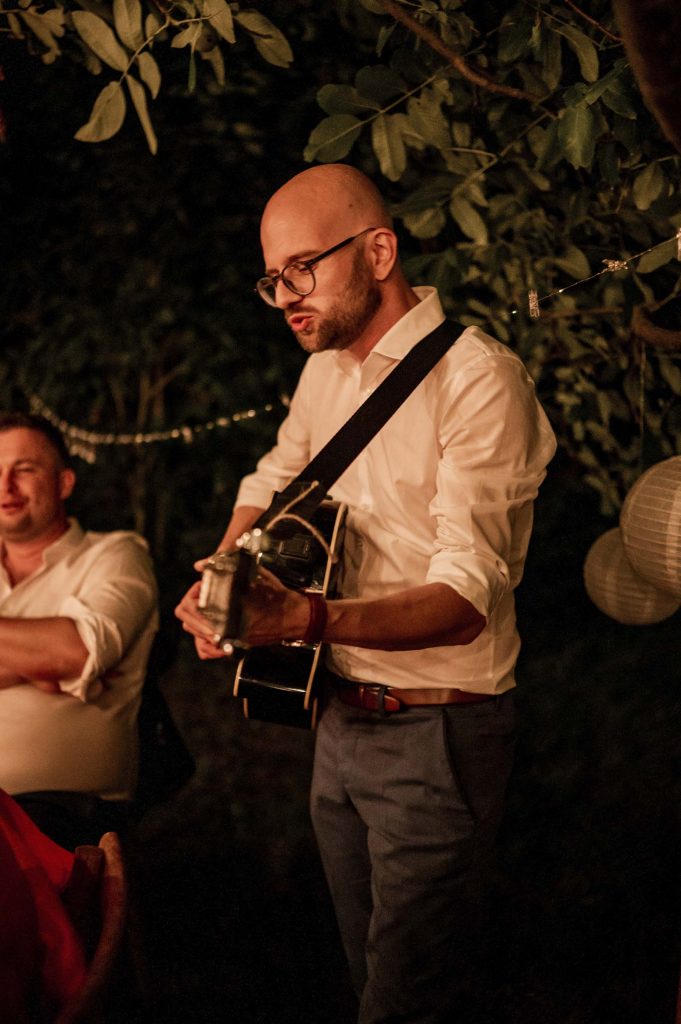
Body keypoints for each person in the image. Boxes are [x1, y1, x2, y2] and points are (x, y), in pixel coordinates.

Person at [175, 163, 557, 1023]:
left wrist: (298, 617)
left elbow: (466, 596)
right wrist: (224, 579)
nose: (285, 297)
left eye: (302, 268)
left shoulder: (476, 381)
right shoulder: (326, 373)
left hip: (439, 732)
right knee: (363, 979)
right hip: (336, 715)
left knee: (404, 1002)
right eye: (272, 280)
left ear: (379, 249)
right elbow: (274, 472)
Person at [0, 411, 159, 850]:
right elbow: (65, 655)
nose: (6, 486)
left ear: (65, 482)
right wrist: (35, 662)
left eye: (24, 470)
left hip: (59, 815)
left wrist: (60, 658)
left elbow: (79, 650)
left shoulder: (115, 554)